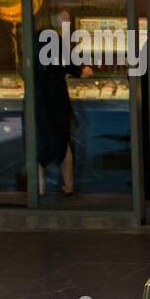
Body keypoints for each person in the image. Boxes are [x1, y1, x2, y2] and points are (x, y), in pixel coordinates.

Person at [35, 10, 93, 197]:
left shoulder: (33, 39)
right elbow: (75, 68)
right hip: (56, 98)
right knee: (63, 141)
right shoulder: (58, 41)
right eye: (65, 19)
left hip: (37, 97)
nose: (67, 22)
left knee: (39, 142)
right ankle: (68, 185)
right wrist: (84, 70)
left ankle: (39, 188)